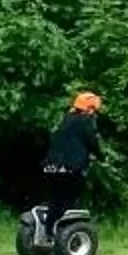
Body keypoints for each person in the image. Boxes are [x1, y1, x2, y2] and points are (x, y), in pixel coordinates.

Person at [42, 92, 102, 225]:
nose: (94, 113)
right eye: (94, 110)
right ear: (89, 108)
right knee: (70, 198)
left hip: (50, 165)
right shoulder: (86, 121)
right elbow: (92, 142)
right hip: (71, 167)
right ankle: (55, 227)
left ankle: (47, 224)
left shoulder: (66, 119)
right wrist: (100, 156)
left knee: (56, 198)